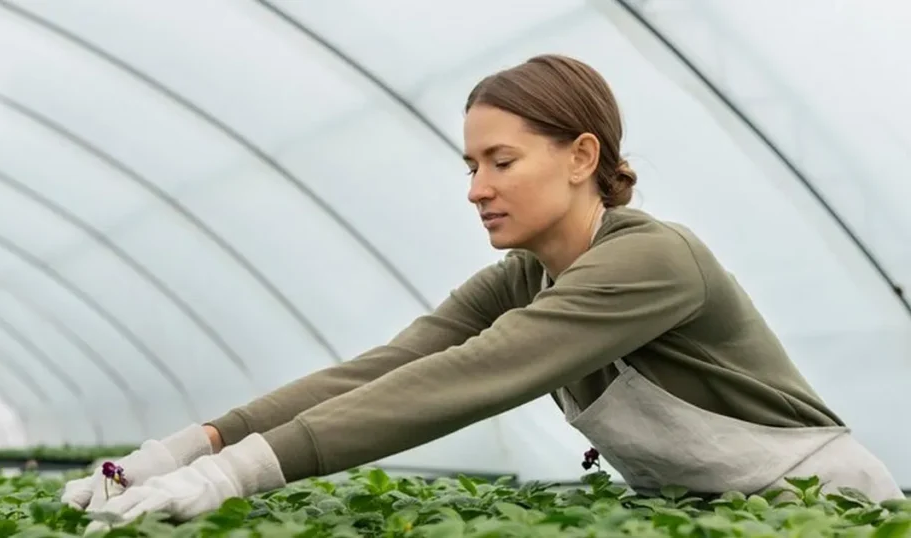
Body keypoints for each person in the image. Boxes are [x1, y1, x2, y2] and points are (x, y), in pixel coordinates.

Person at [65, 54, 904, 530]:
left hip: (820, 514)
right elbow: (393, 366)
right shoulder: (526, 276)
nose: (476, 188)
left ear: (581, 158)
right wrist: (189, 447)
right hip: (713, 517)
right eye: (471, 166)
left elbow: (476, 374)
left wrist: (241, 474)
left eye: (501, 162)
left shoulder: (653, 261)